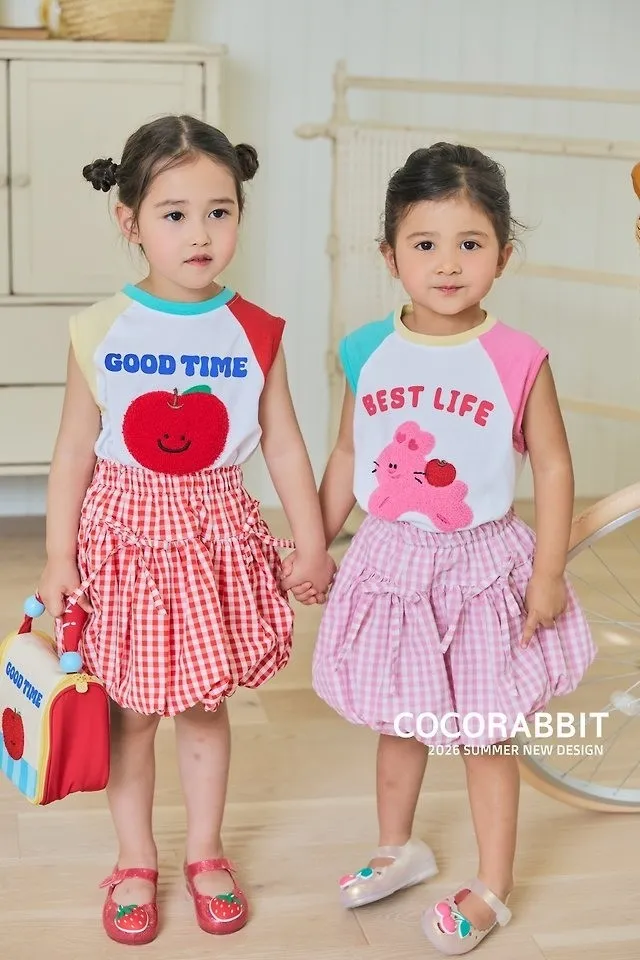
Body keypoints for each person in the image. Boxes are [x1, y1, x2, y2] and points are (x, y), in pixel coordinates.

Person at [291, 142, 595, 954]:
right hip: (391, 562)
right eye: (425, 244)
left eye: (471, 243)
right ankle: (400, 847)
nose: (449, 264)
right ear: (390, 255)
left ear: (504, 253)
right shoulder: (366, 349)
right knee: (400, 717)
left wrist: (548, 572)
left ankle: (493, 883)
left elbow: (554, 464)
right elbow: (349, 452)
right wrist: (315, 541)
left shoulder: (517, 358)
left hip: (480, 568)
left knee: (485, 733)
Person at [38, 114, 335, 946]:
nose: (200, 234)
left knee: (204, 705)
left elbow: (283, 442)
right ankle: (135, 858)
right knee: (130, 712)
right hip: (123, 539)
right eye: (174, 214)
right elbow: (73, 449)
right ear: (129, 220)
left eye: (219, 211)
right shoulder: (100, 328)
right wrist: (58, 555)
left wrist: (312, 542)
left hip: (213, 537)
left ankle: (205, 851)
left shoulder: (256, 330)